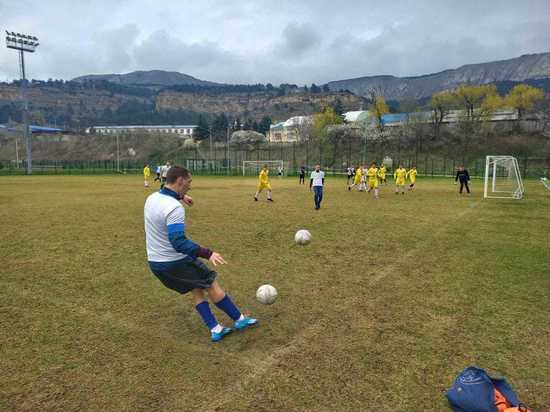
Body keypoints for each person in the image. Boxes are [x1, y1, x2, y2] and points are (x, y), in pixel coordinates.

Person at [144, 166, 257, 342]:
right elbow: (178, 242)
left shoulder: (152, 198)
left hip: (156, 263)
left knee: (196, 287)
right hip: (174, 261)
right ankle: (240, 320)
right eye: (189, 182)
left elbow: (165, 195)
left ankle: (215, 328)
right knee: (210, 282)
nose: (190, 186)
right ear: (180, 180)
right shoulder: (174, 208)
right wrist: (208, 253)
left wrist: (182, 196)